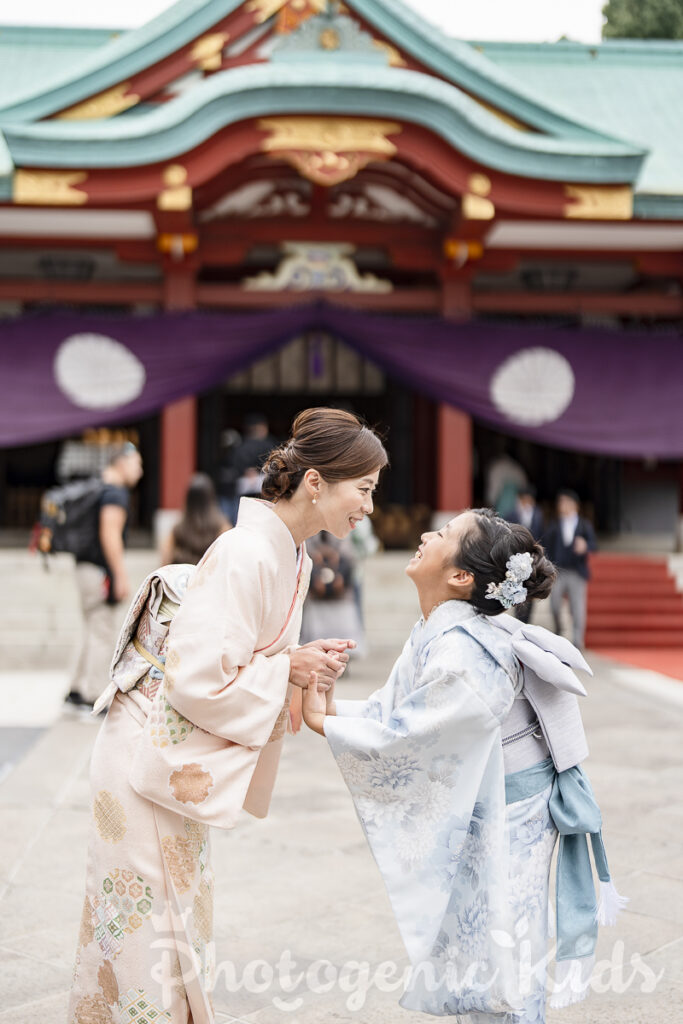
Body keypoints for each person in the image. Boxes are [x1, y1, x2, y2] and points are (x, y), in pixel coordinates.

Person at [68, 407, 388, 1024]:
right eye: (365, 490)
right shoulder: (248, 552)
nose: (370, 508)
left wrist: (300, 669)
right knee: (143, 928)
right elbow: (195, 679)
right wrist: (287, 667)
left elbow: (249, 665)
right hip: (146, 751)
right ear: (316, 482)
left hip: (171, 755)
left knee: (174, 922)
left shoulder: (289, 553)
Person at [303, 508, 625, 1020]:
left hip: (514, 808)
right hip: (490, 798)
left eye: (445, 533)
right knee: (481, 948)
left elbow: (408, 736)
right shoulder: (438, 630)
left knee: (507, 955)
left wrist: (324, 722)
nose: (427, 533)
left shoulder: (464, 653)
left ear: (460, 577)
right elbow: (398, 713)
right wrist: (327, 705)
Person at [65, 442, 143, 710]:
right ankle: (93, 696)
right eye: (137, 464)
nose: (140, 471)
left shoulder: (98, 487)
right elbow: (110, 535)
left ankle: (75, 692)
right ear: (121, 462)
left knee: (91, 628)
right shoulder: (114, 494)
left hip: (84, 567)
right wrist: (120, 574)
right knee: (102, 631)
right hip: (98, 570)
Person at [544, 489, 597, 649]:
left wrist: (585, 546)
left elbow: (594, 545)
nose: (562, 506)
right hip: (559, 570)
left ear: (574, 505)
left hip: (576, 571)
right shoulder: (554, 525)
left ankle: (578, 639)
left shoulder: (583, 524)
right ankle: (559, 630)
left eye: (565, 502)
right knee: (554, 603)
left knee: (577, 606)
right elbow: (547, 546)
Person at [300, 531, 365, 658]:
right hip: (315, 584)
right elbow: (305, 551)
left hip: (341, 587)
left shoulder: (344, 530)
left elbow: (350, 555)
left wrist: (339, 571)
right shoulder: (311, 532)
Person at [218, 413, 277, 525]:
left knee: (240, 521)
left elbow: (234, 465)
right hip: (264, 491)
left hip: (243, 493)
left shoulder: (241, 446)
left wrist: (247, 471)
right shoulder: (270, 444)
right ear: (263, 427)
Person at [160, 472, 231, 566]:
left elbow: (165, 562)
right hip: (211, 578)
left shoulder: (177, 530)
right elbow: (227, 561)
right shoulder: (222, 528)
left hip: (184, 579)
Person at [507, 485, 544, 624]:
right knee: (517, 590)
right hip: (516, 559)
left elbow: (542, 535)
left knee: (531, 589)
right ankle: (518, 619)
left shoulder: (538, 514)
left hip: (532, 559)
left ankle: (527, 620)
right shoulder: (512, 514)